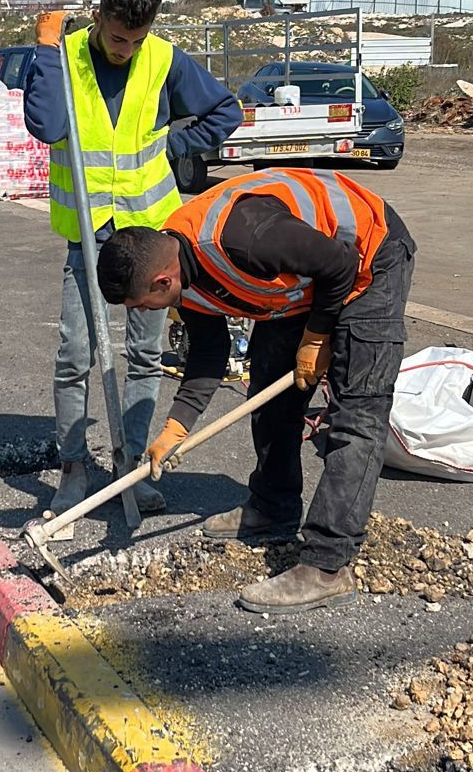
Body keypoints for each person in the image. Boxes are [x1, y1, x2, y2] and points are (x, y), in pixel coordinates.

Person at [95, 169, 417, 614]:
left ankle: (327, 565)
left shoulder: (245, 239)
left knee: (357, 414)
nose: (138, 312)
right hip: (307, 281)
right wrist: (175, 429)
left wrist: (320, 335)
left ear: (162, 282)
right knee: (270, 392)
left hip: (369, 258)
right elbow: (209, 351)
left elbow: (338, 264)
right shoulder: (182, 272)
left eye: (137, 303)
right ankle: (273, 508)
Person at [24, 0, 243, 518]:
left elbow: (227, 111)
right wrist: (46, 50)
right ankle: (73, 468)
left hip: (151, 235)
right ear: (98, 17)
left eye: (137, 39)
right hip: (90, 234)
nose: (126, 50)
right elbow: (48, 126)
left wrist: (178, 143)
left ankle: (135, 465)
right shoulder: (64, 55)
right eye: (119, 37)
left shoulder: (164, 59)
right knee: (76, 353)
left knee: (145, 356)